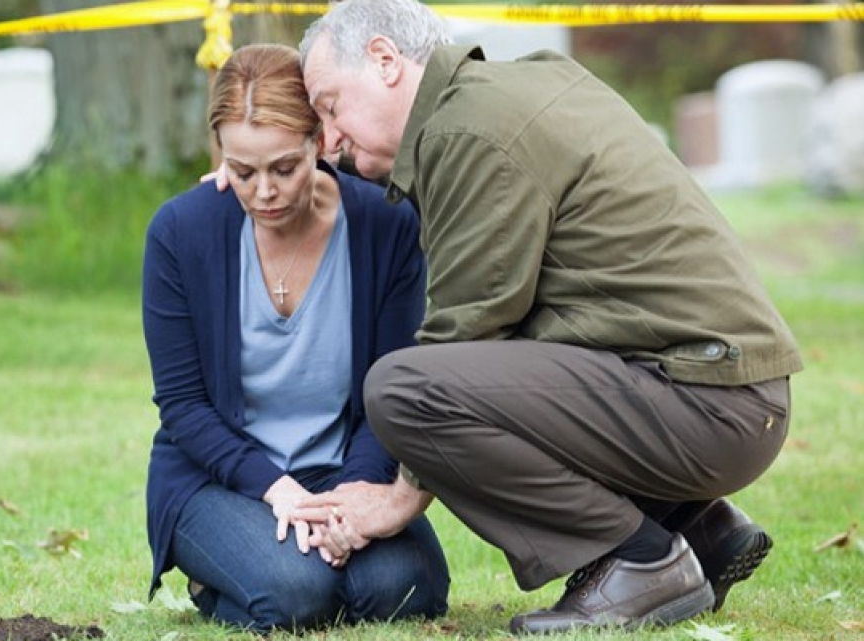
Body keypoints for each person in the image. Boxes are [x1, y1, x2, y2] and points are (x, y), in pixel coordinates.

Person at [286, 0, 804, 634]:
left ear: (385, 62)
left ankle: (641, 561)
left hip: (707, 404)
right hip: (728, 394)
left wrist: (397, 501)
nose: (330, 141)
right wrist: (260, 173)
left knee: (404, 390)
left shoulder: (465, 135)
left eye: (331, 107)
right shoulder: (514, 88)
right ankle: (693, 527)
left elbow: (464, 330)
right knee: (491, 372)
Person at [141, 43, 449, 633]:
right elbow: (183, 407)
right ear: (219, 156)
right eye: (242, 171)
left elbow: (392, 384)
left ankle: (255, 568)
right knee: (295, 592)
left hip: (339, 470)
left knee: (406, 588)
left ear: (321, 141)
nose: (264, 193)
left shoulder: (385, 226)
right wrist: (276, 490)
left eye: (284, 167)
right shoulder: (180, 232)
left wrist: (352, 500)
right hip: (221, 478)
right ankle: (219, 573)